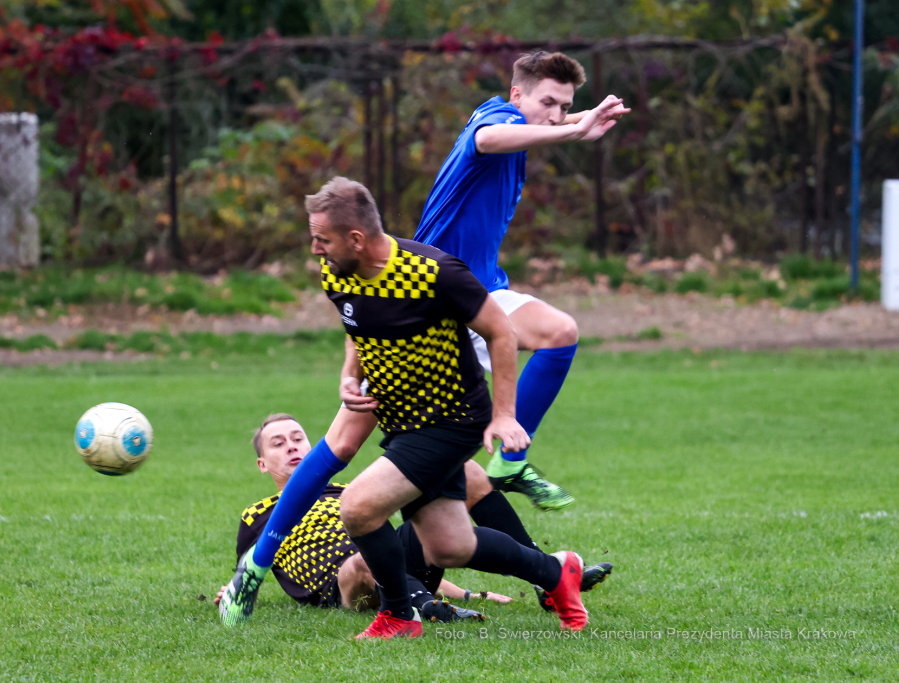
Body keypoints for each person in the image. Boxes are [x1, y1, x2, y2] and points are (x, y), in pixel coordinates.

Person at [303, 176, 595, 639]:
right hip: (404, 421)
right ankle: (558, 573)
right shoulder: (337, 272)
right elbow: (355, 324)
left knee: (357, 507)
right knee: (449, 547)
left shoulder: (434, 272)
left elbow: (503, 333)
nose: (315, 247)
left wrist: (505, 414)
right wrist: (348, 376)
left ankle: (399, 615)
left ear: (356, 239)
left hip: (451, 419)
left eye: (322, 238)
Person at [413, 51, 631, 510]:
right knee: (350, 441)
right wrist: (573, 130)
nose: (556, 115)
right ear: (517, 95)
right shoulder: (496, 117)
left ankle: (513, 462)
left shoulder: (522, 140)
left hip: (479, 292)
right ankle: (259, 558)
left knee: (560, 332)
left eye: (566, 107)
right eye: (548, 102)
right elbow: (489, 138)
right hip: (426, 296)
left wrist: (568, 127)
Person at [215, 412, 586, 622]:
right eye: (278, 443)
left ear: (313, 448)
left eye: (297, 438)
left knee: (465, 478)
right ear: (262, 465)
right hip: (343, 589)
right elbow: (247, 572)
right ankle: (422, 610)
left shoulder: (350, 494)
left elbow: (397, 557)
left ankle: (547, 573)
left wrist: (474, 593)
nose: (292, 445)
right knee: (361, 562)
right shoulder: (258, 515)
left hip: (390, 573)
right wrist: (233, 589)